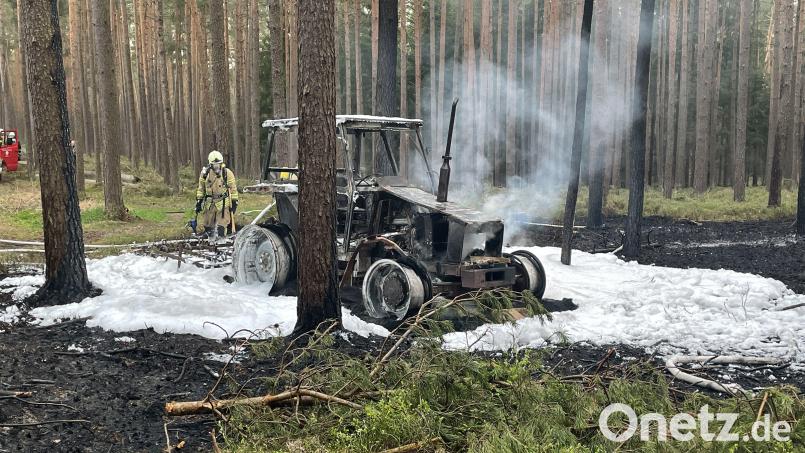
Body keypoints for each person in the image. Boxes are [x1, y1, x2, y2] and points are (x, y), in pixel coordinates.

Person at [195, 150, 238, 239]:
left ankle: (221, 243)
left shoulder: (227, 173)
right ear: (210, 164)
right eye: (214, 165)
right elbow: (201, 189)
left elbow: (233, 189)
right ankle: (208, 245)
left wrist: (234, 202)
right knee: (208, 227)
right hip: (209, 204)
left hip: (223, 204)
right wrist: (199, 201)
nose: (216, 167)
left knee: (221, 228)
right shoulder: (205, 174)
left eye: (218, 164)